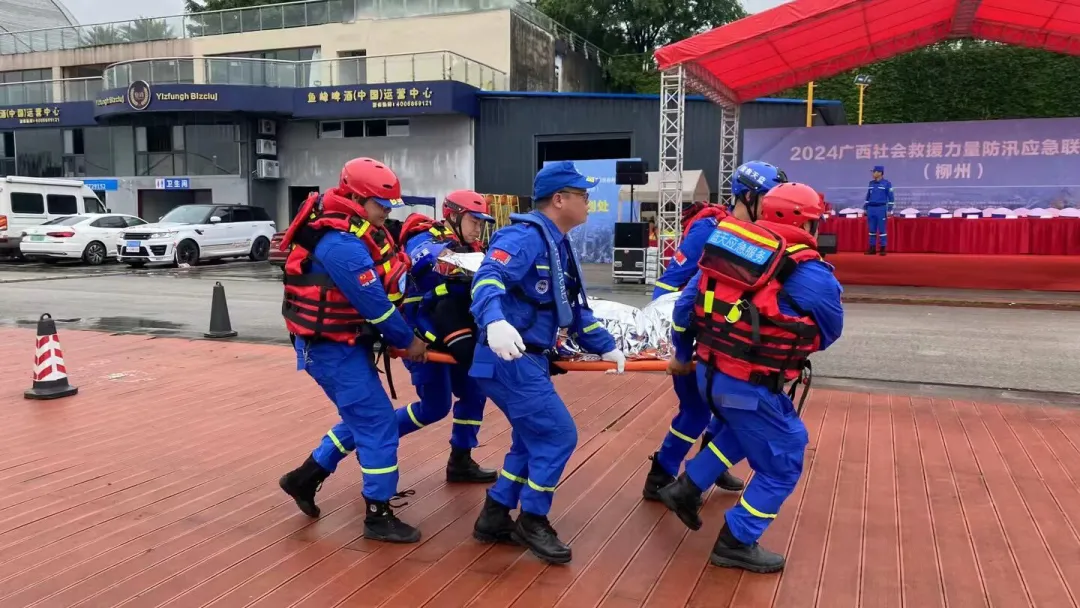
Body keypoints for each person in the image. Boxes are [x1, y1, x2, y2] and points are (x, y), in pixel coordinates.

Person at [658, 181, 844, 573]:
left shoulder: (727, 247)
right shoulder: (810, 272)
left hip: (708, 373)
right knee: (786, 456)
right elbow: (830, 331)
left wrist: (682, 353)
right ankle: (737, 541)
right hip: (748, 383)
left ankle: (687, 488)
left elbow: (684, 308)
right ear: (806, 224)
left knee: (742, 432)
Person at [468, 161, 626, 564]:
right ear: (559, 199)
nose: (588, 202)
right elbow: (487, 278)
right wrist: (495, 321)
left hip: (530, 359)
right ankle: (533, 518)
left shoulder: (557, 243)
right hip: (509, 357)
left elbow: (572, 306)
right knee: (557, 435)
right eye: (583, 195)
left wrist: (606, 346)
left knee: (531, 437)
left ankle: (495, 514)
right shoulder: (524, 237)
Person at [276, 157, 428, 544]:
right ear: (357, 199)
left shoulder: (355, 232)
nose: (387, 212)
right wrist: (408, 341)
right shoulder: (342, 245)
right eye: (381, 204)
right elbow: (376, 306)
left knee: (363, 416)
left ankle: (304, 478)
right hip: (330, 349)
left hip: (344, 342)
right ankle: (377, 514)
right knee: (377, 423)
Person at [642, 161, 788, 501]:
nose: (774, 208)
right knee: (696, 413)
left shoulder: (764, 237)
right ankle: (661, 474)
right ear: (748, 196)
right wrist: (680, 345)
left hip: (730, 344)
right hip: (692, 337)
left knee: (732, 409)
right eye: (769, 199)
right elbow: (667, 288)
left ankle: (709, 464)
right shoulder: (709, 231)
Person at [395, 190, 498, 482]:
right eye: (474, 220)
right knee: (434, 408)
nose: (478, 228)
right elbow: (430, 257)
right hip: (422, 338)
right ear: (452, 216)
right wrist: (487, 264)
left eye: (482, 222)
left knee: (474, 392)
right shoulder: (424, 238)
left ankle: (461, 461)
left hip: (456, 334)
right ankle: (370, 436)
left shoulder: (473, 247)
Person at [864, 165, 894, 255]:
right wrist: (865, 208)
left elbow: (891, 198)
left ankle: (883, 248)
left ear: (880, 173)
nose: (873, 174)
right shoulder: (871, 183)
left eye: (874, 172)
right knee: (871, 230)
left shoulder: (887, 183)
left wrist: (889, 210)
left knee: (882, 230)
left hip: (881, 208)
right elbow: (868, 196)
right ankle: (872, 248)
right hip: (871, 208)